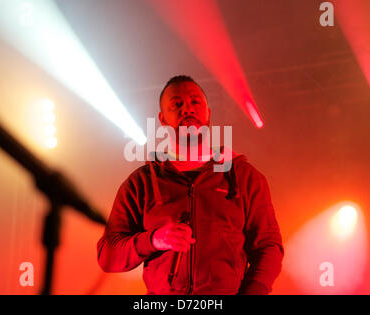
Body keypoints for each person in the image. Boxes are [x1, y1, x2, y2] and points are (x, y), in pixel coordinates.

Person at [97, 75, 284, 295]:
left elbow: (269, 247)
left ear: (208, 113)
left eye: (196, 102)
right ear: (162, 119)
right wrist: (153, 240)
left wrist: (254, 291)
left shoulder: (244, 176)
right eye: (177, 104)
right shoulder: (141, 183)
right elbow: (107, 256)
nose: (188, 109)